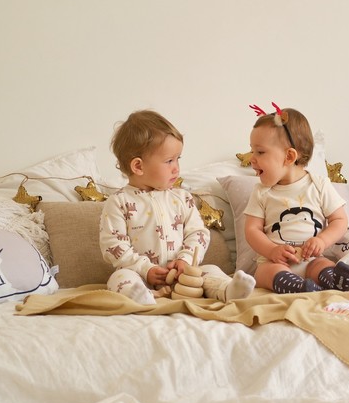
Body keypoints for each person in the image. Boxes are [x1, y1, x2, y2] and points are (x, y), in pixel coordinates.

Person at [99, 109, 256, 305]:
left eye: (177, 159)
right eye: (169, 161)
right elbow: (113, 245)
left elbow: (198, 233)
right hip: (140, 276)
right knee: (119, 278)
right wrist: (145, 269)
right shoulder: (118, 202)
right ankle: (139, 296)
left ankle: (228, 290)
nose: (176, 168)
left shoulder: (182, 198)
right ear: (138, 166)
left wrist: (186, 260)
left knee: (211, 271)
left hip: (184, 277)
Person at [243, 104, 349, 293]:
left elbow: (340, 220)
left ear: (289, 156)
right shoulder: (261, 192)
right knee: (264, 273)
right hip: (276, 262)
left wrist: (322, 241)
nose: (252, 159)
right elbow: (252, 230)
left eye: (260, 152)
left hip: (311, 259)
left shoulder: (319, 185)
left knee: (323, 264)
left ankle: (332, 280)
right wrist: (271, 250)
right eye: (252, 151)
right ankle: (299, 287)